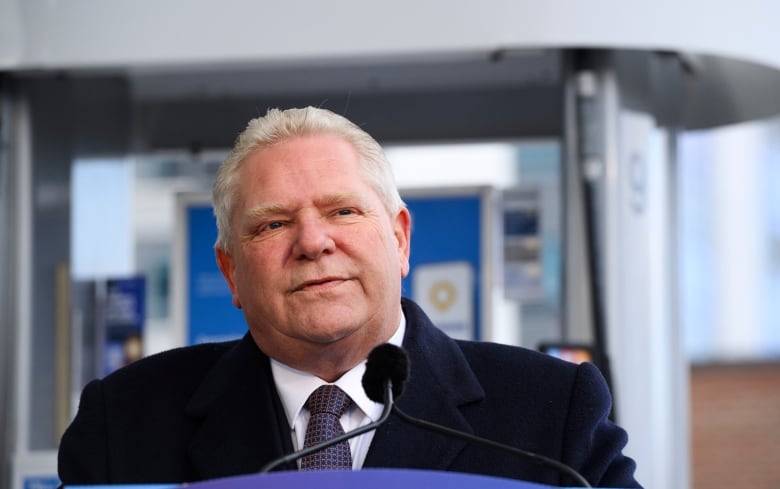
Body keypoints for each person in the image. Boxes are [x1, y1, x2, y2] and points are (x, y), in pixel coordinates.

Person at [58, 107, 641, 488]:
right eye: (272, 224)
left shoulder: (553, 411)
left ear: (400, 238)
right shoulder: (125, 421)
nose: (313, 242)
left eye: (343, 211)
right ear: (231, 272)